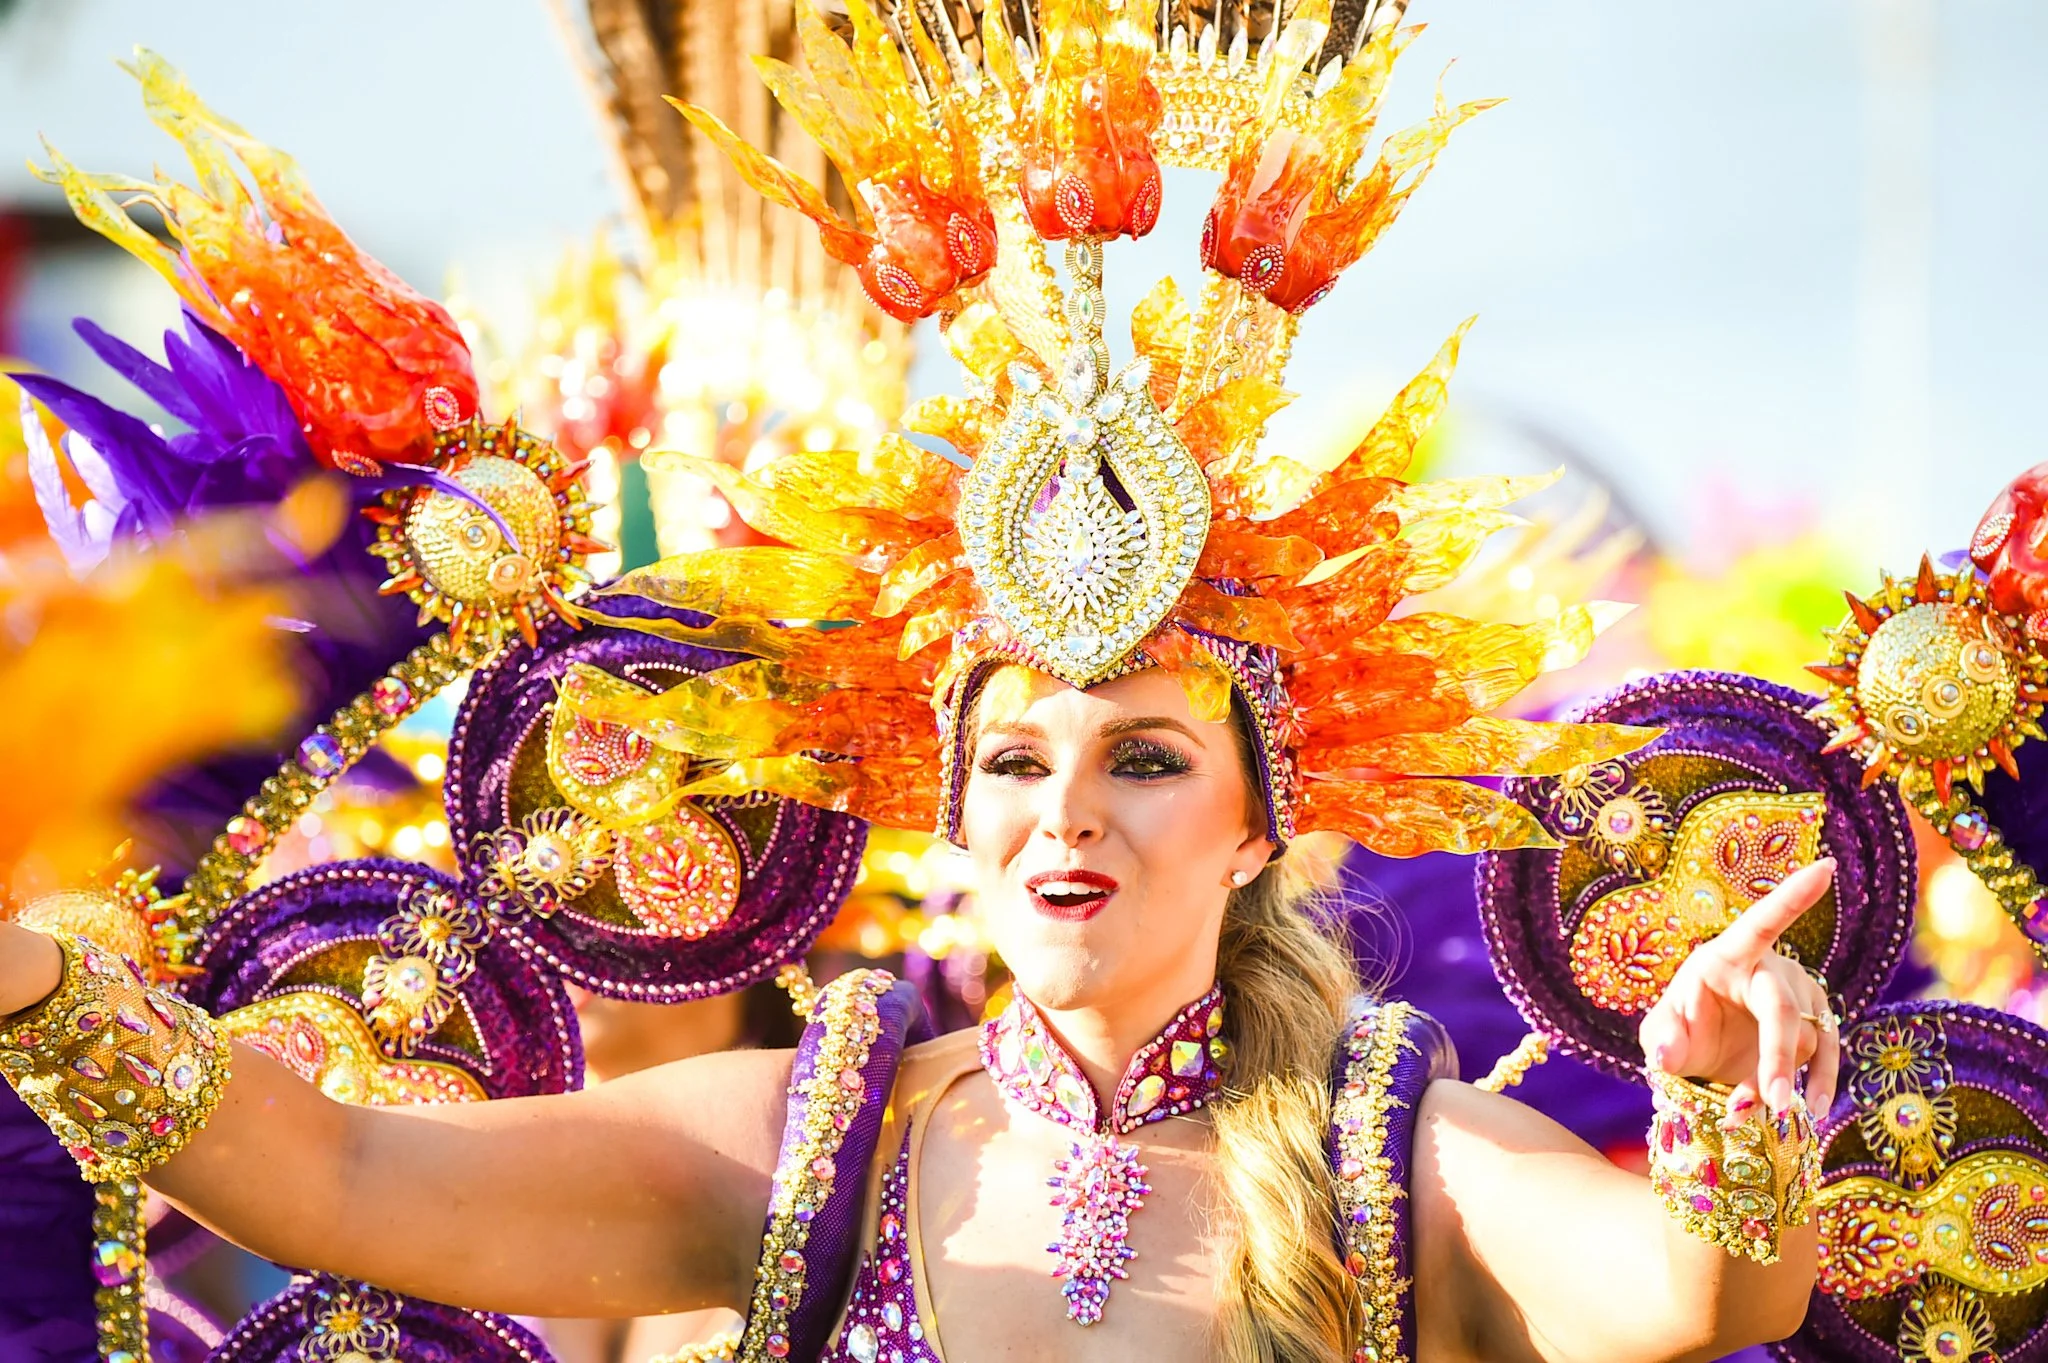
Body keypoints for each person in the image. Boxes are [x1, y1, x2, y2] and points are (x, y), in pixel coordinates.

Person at [0, 3, 1851, 1361]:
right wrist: (22, 966)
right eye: (1015, 760)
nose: (1066, 813)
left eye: (1142, 758)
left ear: (1261, 818)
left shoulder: (1395, 1155)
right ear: (948, 809)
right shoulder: (825, 1140)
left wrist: (1734, 1125)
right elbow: (328, 1173)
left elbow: (1698, 1296)